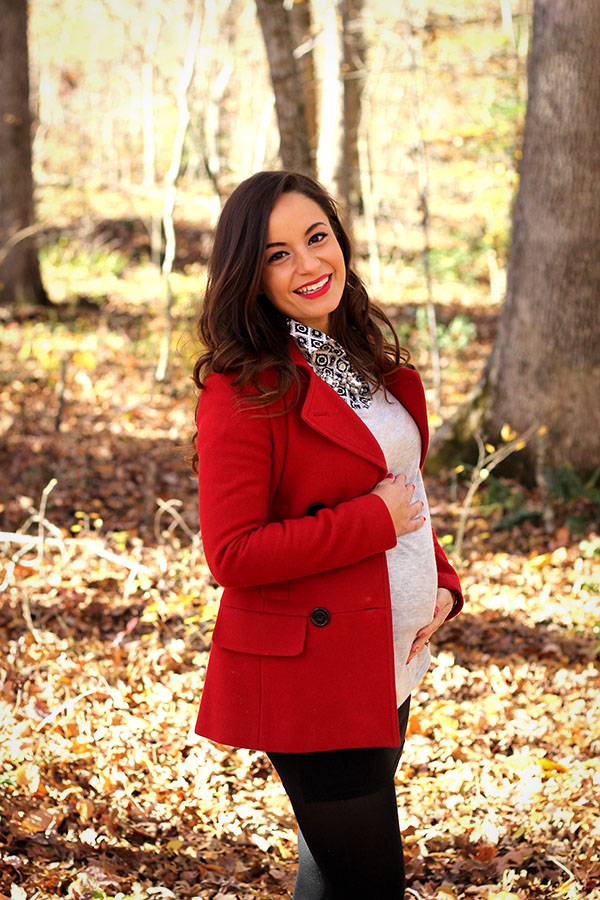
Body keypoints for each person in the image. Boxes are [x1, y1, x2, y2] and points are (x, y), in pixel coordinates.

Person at [191, 170, 463, 900]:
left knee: (332, 877)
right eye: (279, 254)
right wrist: (373, 522)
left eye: (317, 238)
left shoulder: (355, 357)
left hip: (384, 659)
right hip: (312, 675)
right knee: (369, 884)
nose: (310, 265)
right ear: (248, 271)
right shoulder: (243, 386)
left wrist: (441, 580)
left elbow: (402, 486)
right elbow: (233, 552)